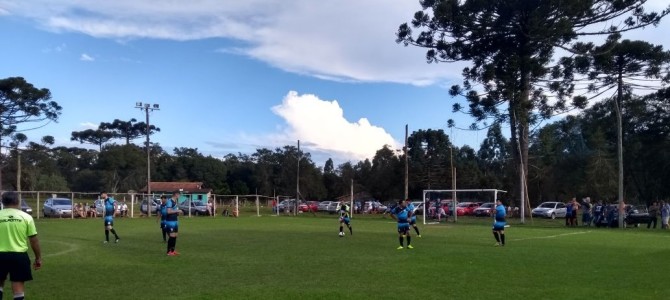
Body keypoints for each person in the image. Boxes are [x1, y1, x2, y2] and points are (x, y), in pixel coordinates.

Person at [0, 191, 42, 300]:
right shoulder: (26, 217)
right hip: (19, 257)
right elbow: (34, 240)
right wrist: (38, 258)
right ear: (17, 202)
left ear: (3, 202)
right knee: (18, 288)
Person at [165, 191, 183, 256]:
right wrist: (177, 211)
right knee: (172, 236)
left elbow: (173, 211)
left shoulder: (175, 202)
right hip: (170, 221)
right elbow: (168, 211)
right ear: (176, 194)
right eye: (179, 195)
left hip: (175, 221)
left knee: (175, 236)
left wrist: (177, 213)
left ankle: (172, 251)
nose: (179, 196)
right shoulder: (170, 201)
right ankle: (168, 251)